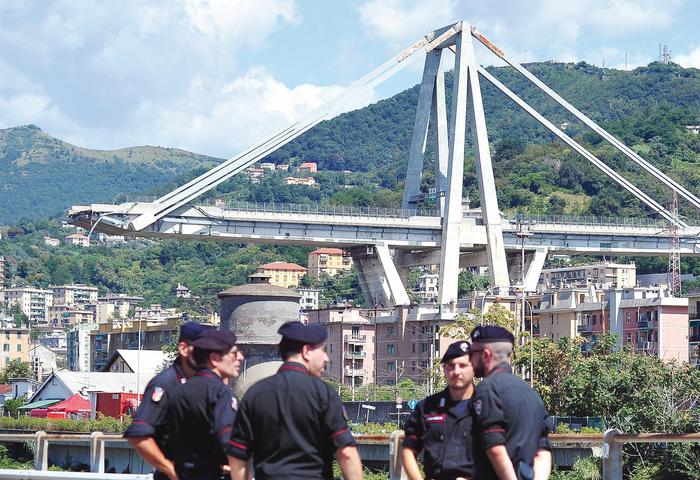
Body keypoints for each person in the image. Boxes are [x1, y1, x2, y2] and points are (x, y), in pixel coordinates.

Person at [227, 321, 363, 480]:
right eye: (323, 350)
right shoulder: (323, 394)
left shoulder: (255, 394)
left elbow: (237, 455)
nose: (326, 358)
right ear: (306, 351)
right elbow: (346, 453)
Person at [125, 321, 212, 480]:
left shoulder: (203, 383)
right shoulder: (166, 384)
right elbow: (138, 433)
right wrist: (171, 471)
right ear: (183, 349)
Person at [468, 325, 552, 480]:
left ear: (485, 355)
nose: (469, 359)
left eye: (471, 353)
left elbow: (495, 447)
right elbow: (543, 451)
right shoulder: (531, 393)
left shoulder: (487, 389)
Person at [166, 328, 244, 480]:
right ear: (214, 359)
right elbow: (229, 442)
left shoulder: (179, 391)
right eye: (234, 354)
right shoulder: (220, 392)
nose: (240, 358)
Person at [402, 340, 475, 480]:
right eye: (451, 366)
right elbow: (408, 449)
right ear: (444, 370)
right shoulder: (427, 407)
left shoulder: (488, 406)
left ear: (474, 368)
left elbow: (501, 454)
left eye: (463, 365)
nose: (456, 371)